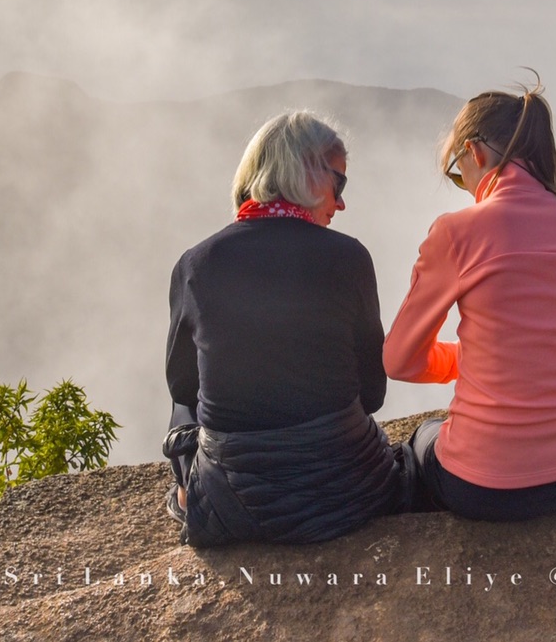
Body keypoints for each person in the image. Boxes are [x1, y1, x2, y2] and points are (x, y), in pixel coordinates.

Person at [383, 87, 556, 521]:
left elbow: (400, 362)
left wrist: (465, 362)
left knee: (423, 438)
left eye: (457, 173)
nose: (466, 189)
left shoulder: (456, 233)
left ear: (475, 153)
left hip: (479, 486)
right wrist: (552, 369)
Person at [163, 111, 402, 546]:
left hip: (231, 508)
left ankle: (185, 493)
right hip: (352, 492)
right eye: (339, 184)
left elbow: (183, 385)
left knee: (183, 409)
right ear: (307, 175)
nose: (342, 203)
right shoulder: (349, 257)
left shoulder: (196, 264)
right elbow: (372, 394)